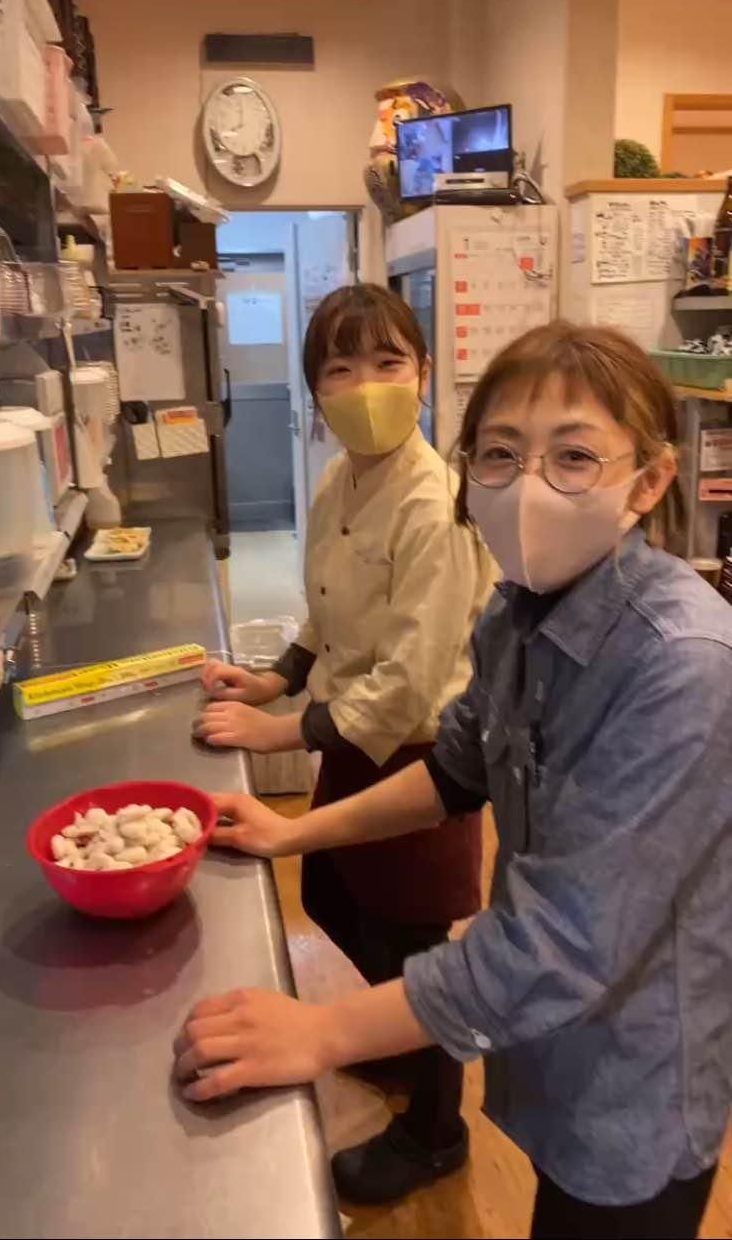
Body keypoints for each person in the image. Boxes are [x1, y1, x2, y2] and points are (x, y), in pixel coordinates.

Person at [178, 322, 732, 1240]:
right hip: (553, 1045)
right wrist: (291, 831)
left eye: (575, 457)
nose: (528, 487)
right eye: (502, 454)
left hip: (636, 1072)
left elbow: (562, 944)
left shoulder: (682, 666)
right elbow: (454, 769)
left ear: (648, 482)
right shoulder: (517, 614)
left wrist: (322, 1032)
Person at [196, 283, 492, 1204]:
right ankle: (394, 1040)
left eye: (388, 363)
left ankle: (437, 1132)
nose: (365, 386)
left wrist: (281, 729)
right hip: (351, 744)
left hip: (421, 762)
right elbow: (325, 615)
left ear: (424, 374)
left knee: (418, 954)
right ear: (315, 391)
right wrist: (276, 678)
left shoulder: (438, 505)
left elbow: (407, 682)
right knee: (332, 895)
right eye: (339, 368)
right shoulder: (337, 481)